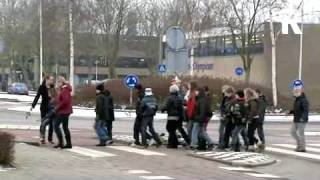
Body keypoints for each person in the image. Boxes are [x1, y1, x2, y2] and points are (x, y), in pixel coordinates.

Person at [30, 75, 55, 144]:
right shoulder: (42, 87)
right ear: (47, 79)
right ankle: (42, 137)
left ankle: (50, 138)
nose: (52, 81)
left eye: (52, 80)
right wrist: (33, 105)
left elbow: (56, 96)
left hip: (51, 107)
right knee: (43, 122)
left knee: (51, 123)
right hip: (44, 107)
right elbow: (37, 96)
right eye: (51, 79)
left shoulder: (53, 87)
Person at [162, 84, 184, 149]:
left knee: (170, 129)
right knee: (173, 129)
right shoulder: (179, 98)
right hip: (178, 117)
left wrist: (163, 109)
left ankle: (172, 144)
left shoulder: (169, 98)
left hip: (171, 116)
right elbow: (181, 108)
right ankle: (174, 143)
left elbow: (166, 106)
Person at [54, 76, 73, 149]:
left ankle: (61, 143)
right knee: (65, 127)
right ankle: (67, 143)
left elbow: (65, 101)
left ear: (61, 82)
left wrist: (58, 107)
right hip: (65, 111)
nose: (57, 84)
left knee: (56, 126)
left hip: (64, 111)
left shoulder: (65, 90)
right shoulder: (64, 89)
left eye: (58, 82)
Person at [289, 87, 309, 152]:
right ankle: (299, 144)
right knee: (292, 132)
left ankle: (302, 147)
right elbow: (297, 109)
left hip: (302, 120)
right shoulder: (297, 100)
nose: (294, 94)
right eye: (294, 93)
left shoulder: (304, 100)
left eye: (295, 93)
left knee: (301, 133)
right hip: (296, 119)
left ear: (299, 93)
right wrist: (292, 111)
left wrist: (303, 118)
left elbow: (306, 110)